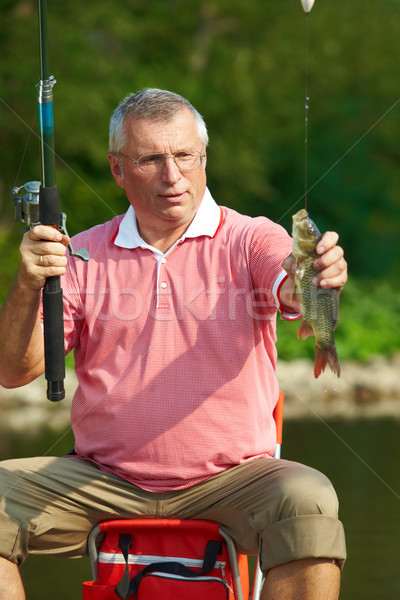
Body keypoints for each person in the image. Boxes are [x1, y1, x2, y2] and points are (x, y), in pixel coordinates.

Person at [0, 88, 347, 600]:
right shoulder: (82, 254)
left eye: (185, 155)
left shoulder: (251, 237)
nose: (172, 175)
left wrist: (315, 274)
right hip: (101, 480)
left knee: (310, 500)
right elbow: (14, 371)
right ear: (118, 170)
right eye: (151, 159)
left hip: (234, 480)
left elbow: (289, 281)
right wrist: (28, 285)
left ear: (203, 158)